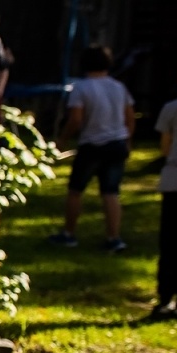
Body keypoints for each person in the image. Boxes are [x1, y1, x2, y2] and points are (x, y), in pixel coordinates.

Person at [48, 44, 134, 252]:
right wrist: (127, 139)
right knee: (111, 192)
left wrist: (63, 138)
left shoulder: (82, 88)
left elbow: (76, 119)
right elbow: (130, 116)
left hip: (92, 144)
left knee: (75, 190)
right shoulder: (118, 87)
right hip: (116, 143)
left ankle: (69, 233)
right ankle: (114, 237)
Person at [153, 52, 177, 318]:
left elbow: (165, 147)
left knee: (170, 242)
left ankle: (165, 297)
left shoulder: (172, 108)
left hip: (176, 179)